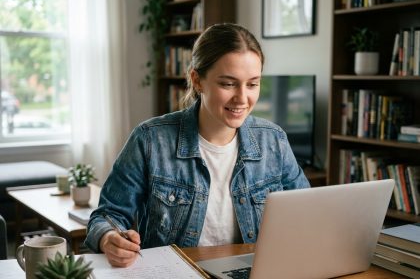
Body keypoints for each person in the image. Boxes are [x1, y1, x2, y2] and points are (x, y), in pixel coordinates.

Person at [85, 23, 310, 267]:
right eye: (228, 83)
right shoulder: (150, 139)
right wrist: (109, 238)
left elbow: (308, 212)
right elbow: (107, 215)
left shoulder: (273, 140)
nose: (242, 98)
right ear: (197, 80)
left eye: (252, 84)